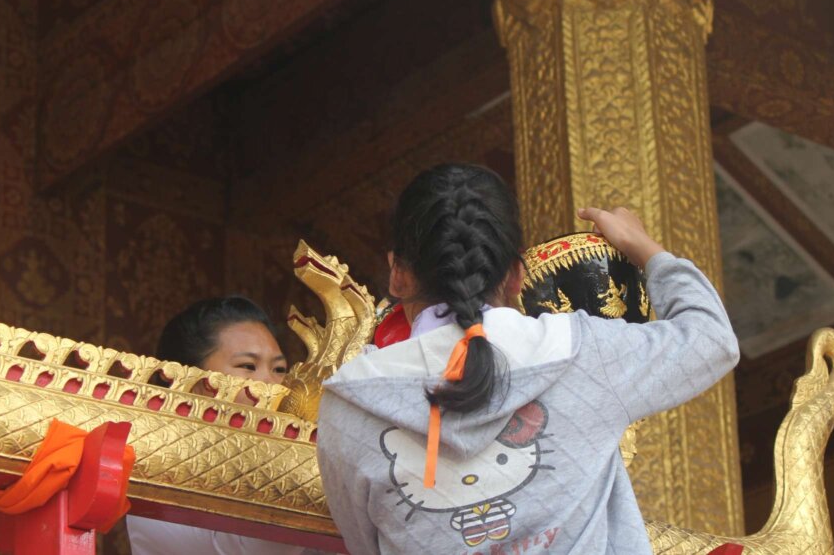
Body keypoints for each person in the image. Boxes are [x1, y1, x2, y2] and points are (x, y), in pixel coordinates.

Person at [316, 163, 740, 555]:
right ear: (517, 275)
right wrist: (642, 246)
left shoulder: (349, 403)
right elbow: (712, 338)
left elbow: (365, 543)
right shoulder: (582, 352)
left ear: (398, 274)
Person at [127, 296, 303, 555]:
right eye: (248, 366)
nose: (273, 385)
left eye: (279, 369)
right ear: (193, 383)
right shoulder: (158, 472)